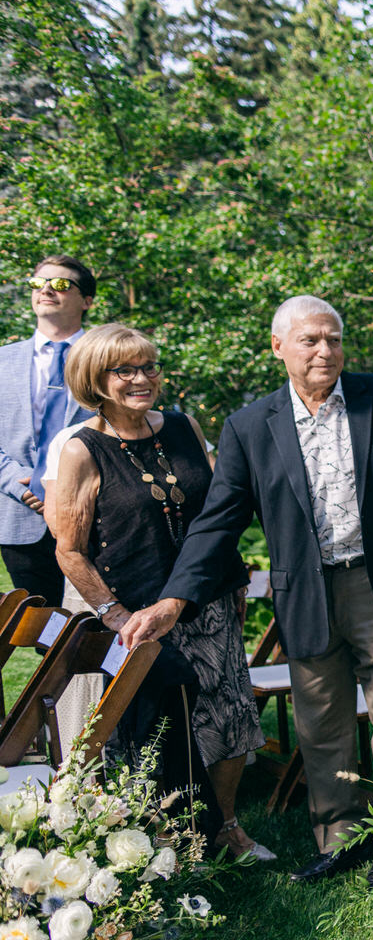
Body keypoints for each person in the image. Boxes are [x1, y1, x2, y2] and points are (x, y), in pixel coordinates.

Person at [144, 295, 373, 888]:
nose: (325, 350)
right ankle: (340, 842)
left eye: (333, 339)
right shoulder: (248, 426)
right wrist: (175, 598)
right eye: (310, 340)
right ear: (278, 347)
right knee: (321, 724)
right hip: (304, 594)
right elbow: (218, 519)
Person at [46, 323, 273, 860]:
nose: (141, 378)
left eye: (148, 366)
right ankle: (168, 839)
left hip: (205, 599)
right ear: (95, 380)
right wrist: (116, 614)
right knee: (158, 726)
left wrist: (232, 575)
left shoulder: (184, 426)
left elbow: (213, 510)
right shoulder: (81, 449)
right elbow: (69, 549)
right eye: (124, 370)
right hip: (141, 613)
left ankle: (227, 829)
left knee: (229, 714)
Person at [0, 256, 96, 608]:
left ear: (86, 301)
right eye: (37, 282)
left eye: (60, 284)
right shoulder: (2, 361)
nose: (45, 290)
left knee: (102, 627)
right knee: (45, 629)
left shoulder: (105, 358)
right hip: (20, 515)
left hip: (95, 515)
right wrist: (17, 482)